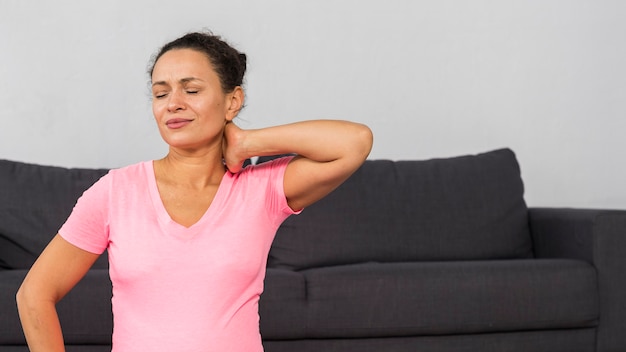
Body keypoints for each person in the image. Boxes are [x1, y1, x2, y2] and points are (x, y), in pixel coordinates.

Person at [16, 31, 373, 352]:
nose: (173, 103)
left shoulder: (261, 188)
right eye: (161, 93)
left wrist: (248, 142)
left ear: (232, 102)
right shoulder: (115, 192)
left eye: (191, 90)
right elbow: (34, 294)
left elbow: (354, 142)